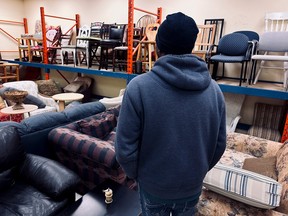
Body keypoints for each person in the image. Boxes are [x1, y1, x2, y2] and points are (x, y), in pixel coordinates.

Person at [115, 12, 226, 216]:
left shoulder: (138, 88)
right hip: (191, 188)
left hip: (152, 187)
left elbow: (124, 149)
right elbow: (219, 145)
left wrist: (138, 175)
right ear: (191, 46)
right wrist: (198, 172)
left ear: (158, 47)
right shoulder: (215, 91)